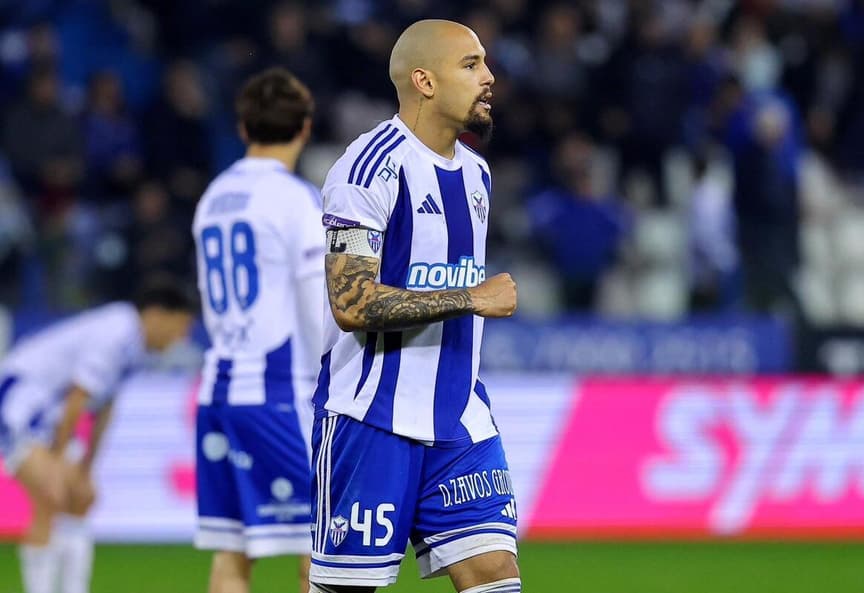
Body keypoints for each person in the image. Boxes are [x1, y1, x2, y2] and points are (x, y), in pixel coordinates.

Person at [312, 19, 520, 593]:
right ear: (425, 81)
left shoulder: (476, 173)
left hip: (458, 418)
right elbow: (350, 303)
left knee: (495, 578)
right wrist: (470, 298)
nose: (489, 77)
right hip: (372, 419)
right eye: (471, 65)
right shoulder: (367, 168)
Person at [191, 67, 326, 593]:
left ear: (243, 128)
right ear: (306, 128)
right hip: (277, 393)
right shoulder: (295, 200)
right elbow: (319, 303)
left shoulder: (212, 198)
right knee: (324, 546)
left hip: (218, 390)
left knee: (232, 554)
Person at [0, 276, 195, 593]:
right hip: (20, 400)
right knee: (51, 493)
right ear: (158, 314)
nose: (181, 337)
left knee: (82, 496)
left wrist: (85, 470)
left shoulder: (136, 347)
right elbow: (79, 396)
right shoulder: (118, 331)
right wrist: (61, 462)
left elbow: (105, 407)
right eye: (181, 325)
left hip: (50, 411)